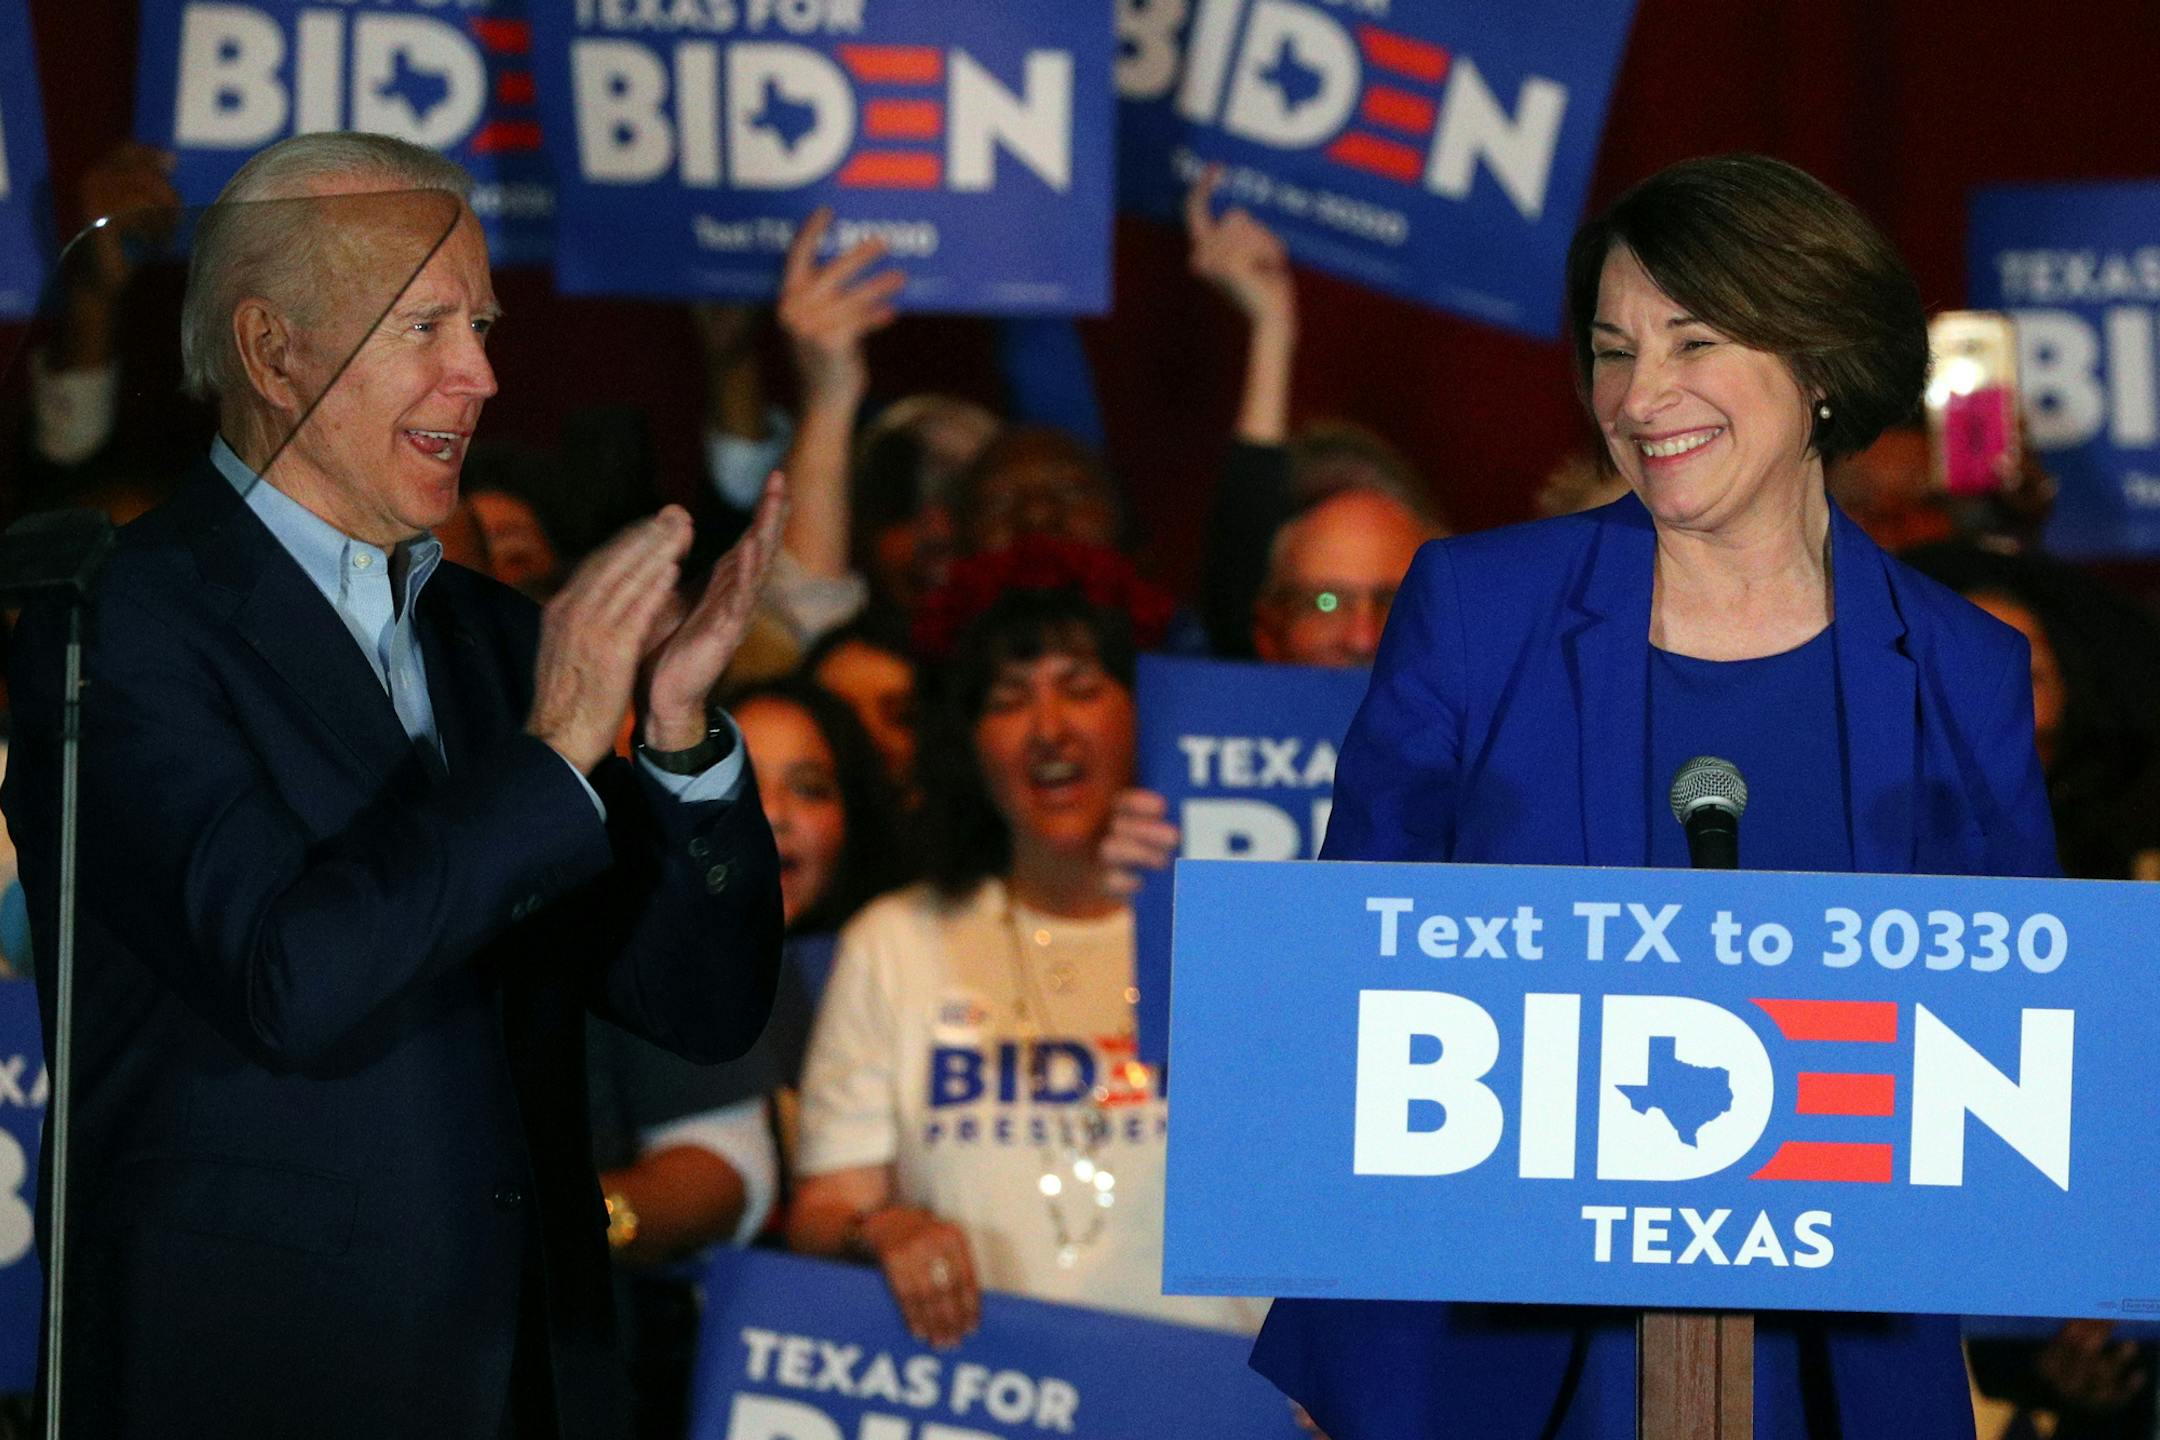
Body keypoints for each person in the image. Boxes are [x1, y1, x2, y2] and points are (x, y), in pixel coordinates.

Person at [1249, 154, 2056, 1439]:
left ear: (1824, 361)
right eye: (1614, 350)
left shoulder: (1962, 667)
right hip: (1495, 1364)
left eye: (1694, 341)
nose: (1641, 396)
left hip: (1833, 1365)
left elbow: (2021, 1048)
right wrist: (1346, 1361)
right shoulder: (1477, 611)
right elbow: (1358, 993)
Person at [1, 132, 788, 1439]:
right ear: (273, 351)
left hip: (530, 1383)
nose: (478, 375)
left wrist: (679, 738)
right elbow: (288, 972)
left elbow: (699, 1007)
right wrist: (546, 761)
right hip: (265, 1389)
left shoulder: (498, 639)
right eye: (423, 325)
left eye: (479, 323)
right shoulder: (120, 626)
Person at [785, 539, 1261, 1346]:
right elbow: (827, 1206)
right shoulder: (896, 940)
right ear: (966, 742)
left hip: (1215, 1400)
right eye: (1008, 699)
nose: (1049, 730)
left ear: (1147, 713)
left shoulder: (1248, 936)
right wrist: (885, 1229)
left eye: (1081, 689)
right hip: (990, 1399)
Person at [590, 676, 904, 1439]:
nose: (774, 815)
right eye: (743, 782)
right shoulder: (631, 959)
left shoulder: (911, 964)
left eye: (811, 787)